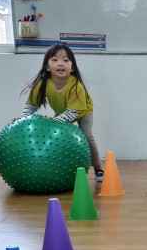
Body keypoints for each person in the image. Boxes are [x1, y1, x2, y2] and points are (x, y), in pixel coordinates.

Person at [21, 44, 104, 181]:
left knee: (87, 136)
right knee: (55, 137)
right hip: (62, 112)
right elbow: (31, 104)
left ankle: (98, 167)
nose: (60, 63)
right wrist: (24, 120)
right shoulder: (43, 83)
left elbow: (72, 112)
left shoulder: (76, 85)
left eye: (66, 60)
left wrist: (52, 123)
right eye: (55, 60)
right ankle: (58, 166)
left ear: (72, 67)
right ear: (47, 67)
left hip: (83, 111)